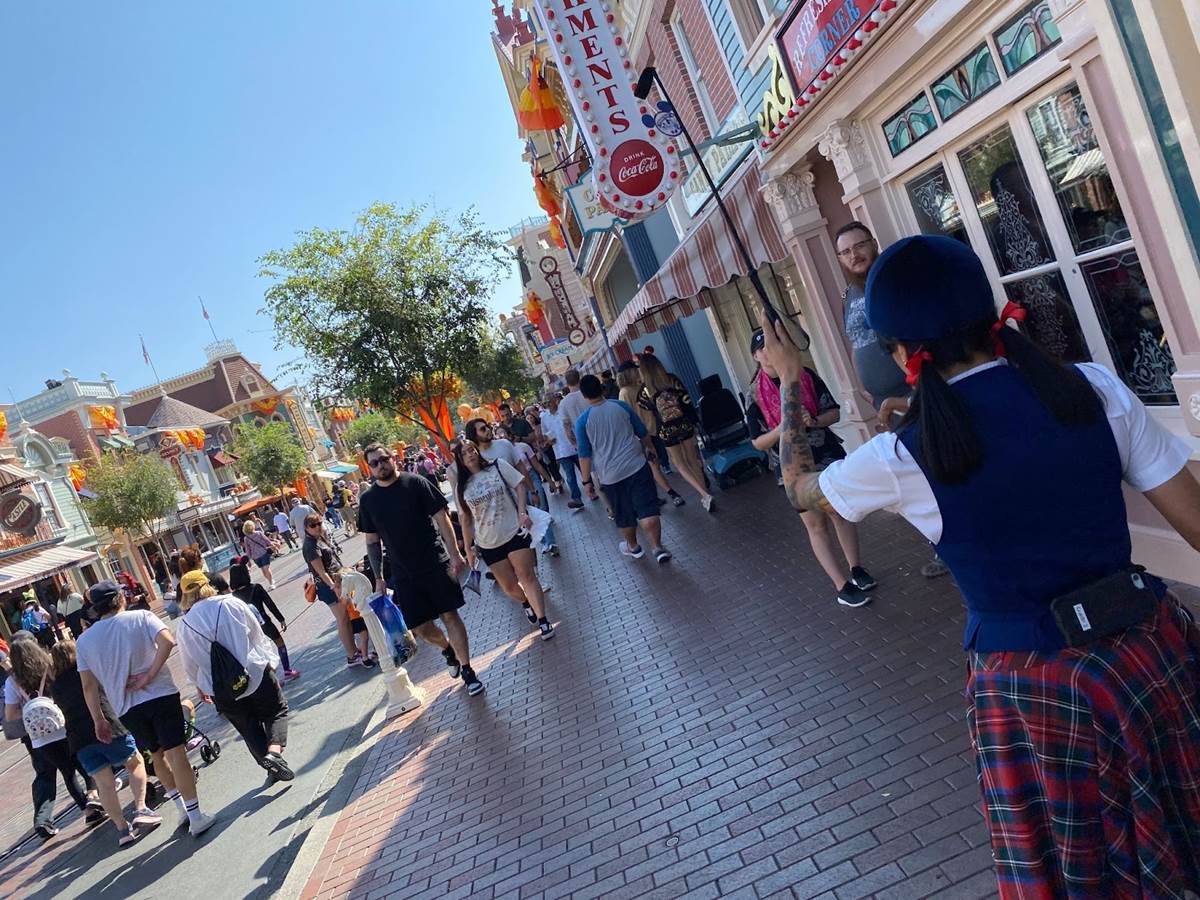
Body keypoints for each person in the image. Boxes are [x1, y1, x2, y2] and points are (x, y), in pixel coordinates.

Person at [762, 234, 1200, 898]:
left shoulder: (899, 459)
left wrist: (791, 380)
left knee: (1085, 874)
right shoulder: (1092, 387)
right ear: (992, 315)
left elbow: (799, 488)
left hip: (1035, 689)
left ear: (901, 354)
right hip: (1148, 652)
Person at [836, 221, 948, 580]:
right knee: (916, 469)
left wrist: (910, 388)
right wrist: (864, 385)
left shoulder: (892, 281)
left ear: (873, 243)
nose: (854, 255)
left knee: (938, 463)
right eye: (845, 251)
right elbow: (856, 342)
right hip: (882, 398)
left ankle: (955, 542)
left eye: (859, 246)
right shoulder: (849, 296)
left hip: (914, 389)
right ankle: (941, 544)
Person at [75, 581, 215, 837]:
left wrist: (98, 719)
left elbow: (88, 685)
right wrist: (149, 675)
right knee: (176, 753)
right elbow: (167, 641)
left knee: (156, 755)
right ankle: (196, 816)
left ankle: (181, 809)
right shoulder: (141, 617)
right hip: (160, 693)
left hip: (126, 707)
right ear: (120, 598)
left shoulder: (84, 641)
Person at [749, 329, 877, 608]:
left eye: (773, 345)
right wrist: (784, 426)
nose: (769, 352)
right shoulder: (755, 395)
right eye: (763, 348)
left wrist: (814, 420)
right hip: (792, 466)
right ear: (755, 356)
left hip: (825, 455)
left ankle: (856, 568)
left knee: (839, 512)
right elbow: (757, 442)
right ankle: (841, 585)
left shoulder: (804, 375)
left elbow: (834, 412)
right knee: (815, 524)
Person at [357, 443, 485, 696]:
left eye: (384, 459)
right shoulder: (368, 500)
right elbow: (372, 541)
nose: (381, 465)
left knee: (450, 616)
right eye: (374, 463)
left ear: (392, 458)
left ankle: (468, 671)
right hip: (403, 574)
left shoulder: (415, 483)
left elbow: (442, 518)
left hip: (435, 562)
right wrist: (379, 577)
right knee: (421, 628)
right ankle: (448, 650)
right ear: (369, 468)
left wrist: (455, 553)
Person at [176, 571, 294, 785]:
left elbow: (189, 664)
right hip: (254, 671)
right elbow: (257, 634)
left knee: (248, 727)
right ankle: (274, 753)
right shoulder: (232, 603)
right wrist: (270, 660)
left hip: (221, 687)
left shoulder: (184, 625)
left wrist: (200, 686)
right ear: (207, 585)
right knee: (276, 710)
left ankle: (271, 767)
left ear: (185, 595)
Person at [48, 640, 161, 847]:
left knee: (104, 785)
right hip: (107, 727)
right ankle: (141, 808)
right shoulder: (87, 671)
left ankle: (123, 829)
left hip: (79, 740)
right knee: (135, 762)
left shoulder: (55, 685)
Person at [5, 634, 105, 840]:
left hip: (40, 737)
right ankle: (93, 797)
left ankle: (88, 809)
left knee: (67, 773)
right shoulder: (49, 666)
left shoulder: (12, 682)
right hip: (63, 725)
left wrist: (30, 709)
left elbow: (10, 714)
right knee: (84, 763)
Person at [452, 440, 555, 640]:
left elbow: (519, 486)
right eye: (464, 453)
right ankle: (526, 602)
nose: (470, 454)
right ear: (460, 460)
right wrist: (469, 550)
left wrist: (522, 512)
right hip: (488, 543)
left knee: (527, 576)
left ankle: (543, 621)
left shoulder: (497, 466)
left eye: (472, 450)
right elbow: (465, 519)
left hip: (514, 531)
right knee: (509, 586)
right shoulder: (461, 487)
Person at [575, 374, 671, 563]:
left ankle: (633, 546)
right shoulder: (621, 406)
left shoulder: (582, 421)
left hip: (610, 475)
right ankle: (657, 547)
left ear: (584, 396)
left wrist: (586, 481)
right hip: (636, 465)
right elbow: (641, 432)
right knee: (647, 507)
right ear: (601, 388)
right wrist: (651, 450)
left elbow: (584, 455)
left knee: (624, 514)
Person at [636, 353, 715, 512]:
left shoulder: (645, 390)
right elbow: (687, 401)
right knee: (693, 461)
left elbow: (644, 406)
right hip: (684, 424)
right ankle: (705, 494)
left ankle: (704, 495)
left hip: (666, 430)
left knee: (680, 464)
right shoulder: (672, 379)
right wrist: (694, 421)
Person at [302, 514, 371, 669]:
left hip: (338, 581)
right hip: (329, 587)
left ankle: (354, 652)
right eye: (313, 525)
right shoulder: (310, 546)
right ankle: (351, 655)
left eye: (319, 523)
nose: (317, 527)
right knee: (343, 619)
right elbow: (321, 571)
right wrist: (334, 586)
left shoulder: (319, 538)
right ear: (306, 528)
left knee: (346, 618)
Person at [616, 361, 684, 507]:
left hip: (657, 427)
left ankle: (661, 495)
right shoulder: (625, 393)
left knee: (661, 461)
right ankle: (672, 493)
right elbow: (626, 416)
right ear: (629, 373)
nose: (638, 371)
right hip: (644, 434)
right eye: (635, 370)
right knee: (654, 464)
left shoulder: (641, 386)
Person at [229, 559, 299, 681]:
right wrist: (281, 619)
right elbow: (270, 604)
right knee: (279, 643)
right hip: (264, 622)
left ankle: (273, 678)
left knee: (260, 651)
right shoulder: (256, 588)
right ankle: (287, 670)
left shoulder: (233, 597)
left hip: (248, 626)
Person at [557, 370, 591, 511]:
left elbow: (567, 428)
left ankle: (610, 508)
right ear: (579, 378)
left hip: (582, 441)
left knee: (593, 474)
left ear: (566, 382)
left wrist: (575, 444)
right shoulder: (587, 393)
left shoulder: (564, 403)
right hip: (598, 434)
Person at [242, 521, 277, 590]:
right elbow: (266, 540)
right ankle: (271, 581)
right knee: (265, 570)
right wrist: (273, 545)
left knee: (265, 569)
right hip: (260, 555)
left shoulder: (249, 537)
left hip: (259, 555)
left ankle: (271, 583)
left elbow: (247, 550)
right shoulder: (255, 534)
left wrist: (249, 560)